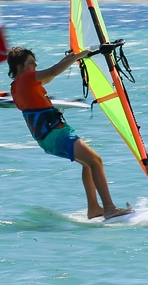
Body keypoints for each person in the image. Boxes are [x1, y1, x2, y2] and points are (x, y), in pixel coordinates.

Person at [8, 47, 132, 220]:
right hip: (56, 133)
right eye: (31, 62)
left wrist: (68, 59)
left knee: (88, 164)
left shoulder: (17, 86)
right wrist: (81, 55)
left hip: (46, 139)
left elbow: (50, 76)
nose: (35, 65)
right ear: (19, 67)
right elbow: (52, 72)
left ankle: (94, 208)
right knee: (96, 161)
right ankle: (109, 208)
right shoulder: (26, 78)